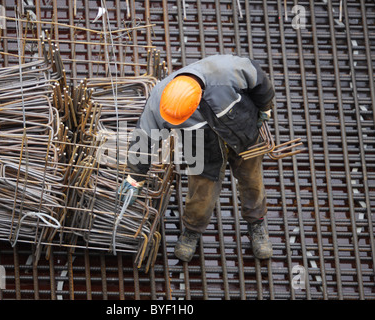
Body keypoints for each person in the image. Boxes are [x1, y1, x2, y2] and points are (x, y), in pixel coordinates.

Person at [118, 54, 275, 262]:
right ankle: (192, 230)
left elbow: (260, 81)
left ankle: (257, 223)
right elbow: (143, 138)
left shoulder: (225, 72)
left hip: (243, 131)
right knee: (201, 191)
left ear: (198, 99)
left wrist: (265, 107)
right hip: (201, 145)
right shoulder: (159, 100)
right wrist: (134, 177)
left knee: (252, 181)